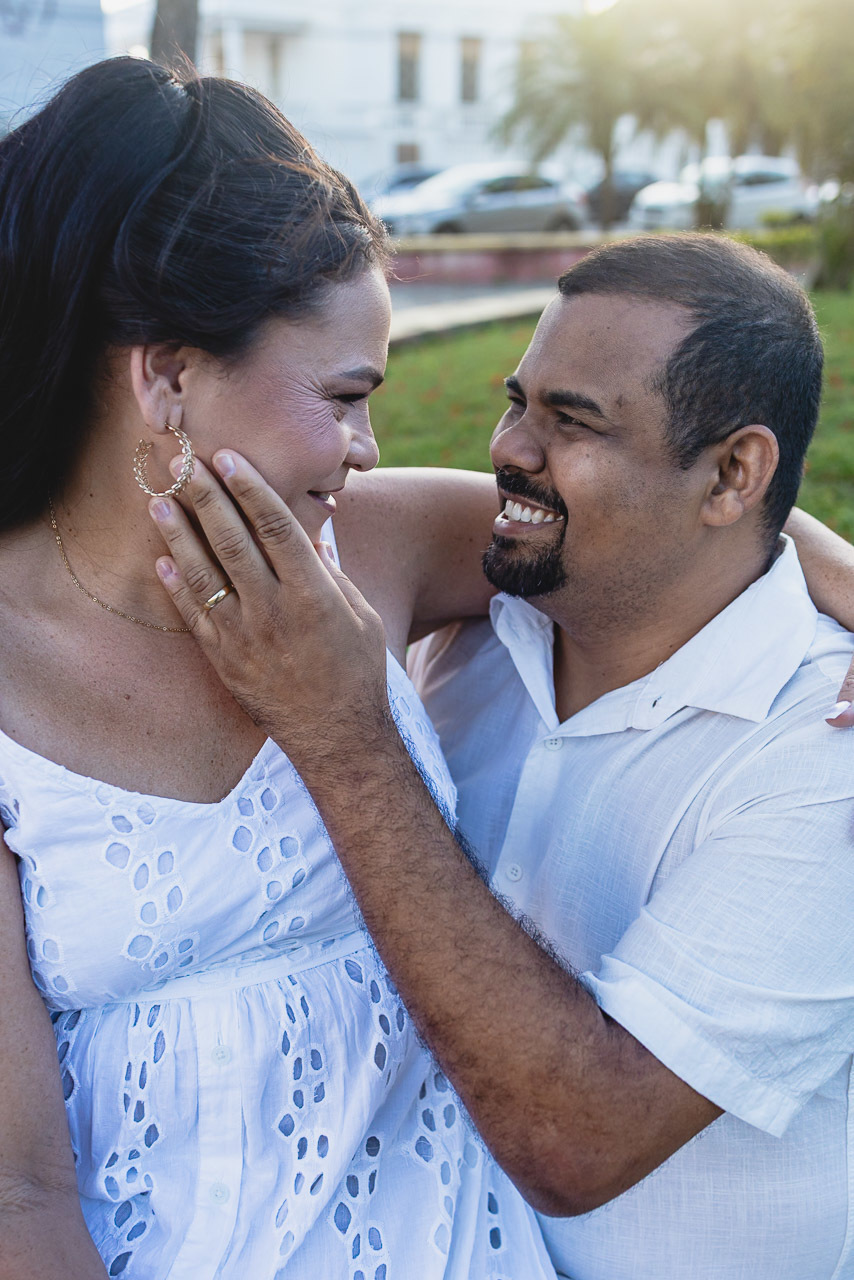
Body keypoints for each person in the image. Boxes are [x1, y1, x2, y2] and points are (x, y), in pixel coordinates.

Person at [152, 234, 854, 1280]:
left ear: (731, 472)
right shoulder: (498, 604)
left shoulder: (821, 749)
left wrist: (346, 735)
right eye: (517, 400)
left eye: (571, 421)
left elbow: (579, 1139)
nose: (508, 447)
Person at [0, 58, 560, 1279]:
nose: (366, 448)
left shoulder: (369, 542)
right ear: (165, 373)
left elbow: (659, 524)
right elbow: (18, 1192)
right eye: (345, 394)